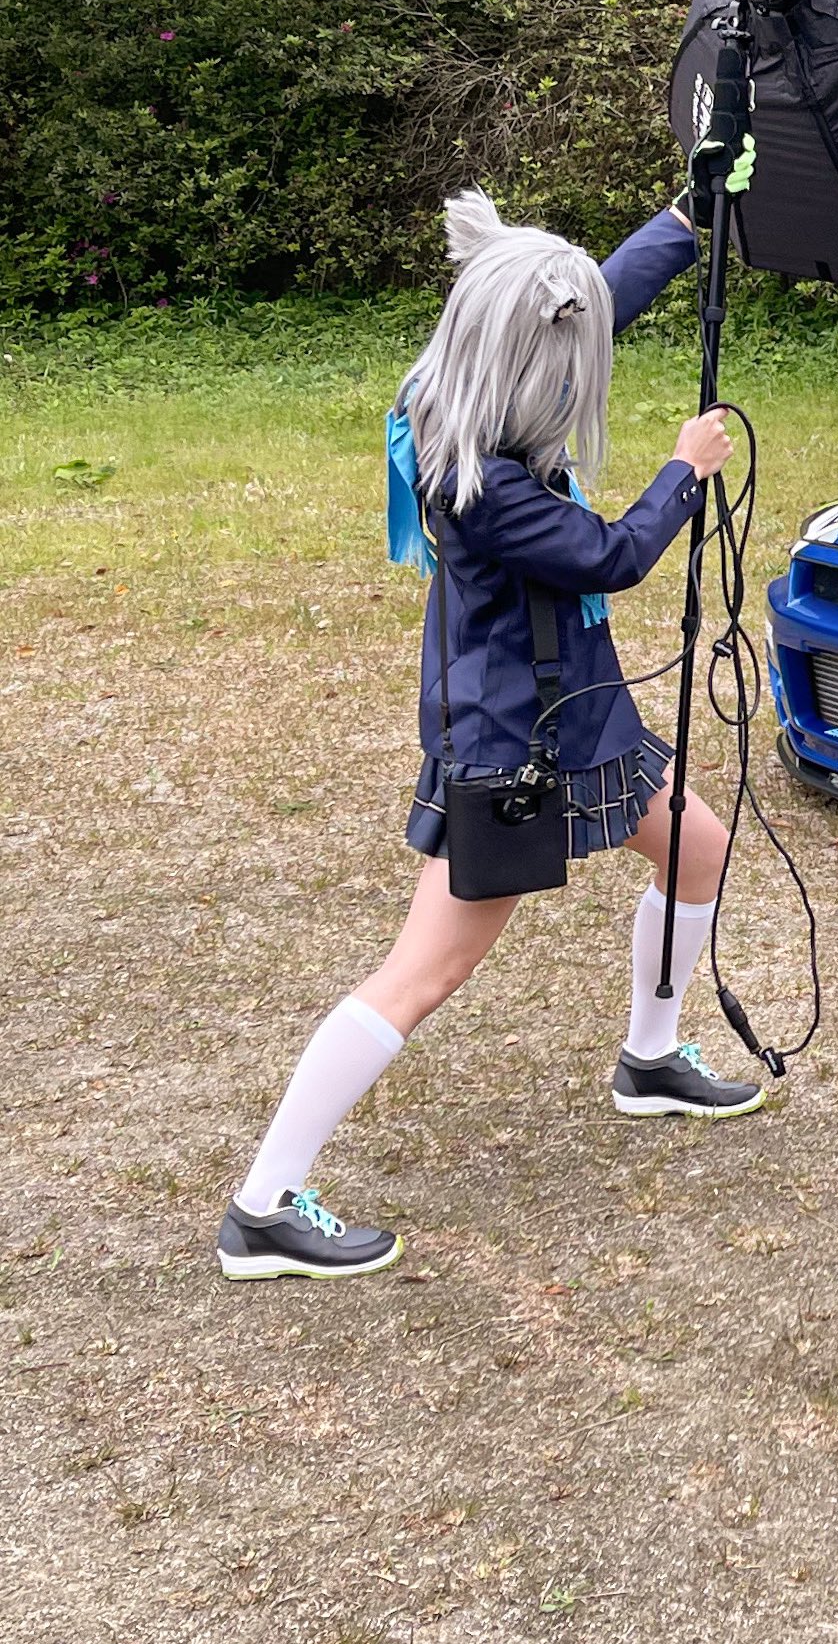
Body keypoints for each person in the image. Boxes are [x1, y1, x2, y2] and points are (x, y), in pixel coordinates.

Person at [218, 189, 765, 1284]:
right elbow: (609, 555)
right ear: (520, 357)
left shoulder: (463, 386)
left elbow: (588, 303)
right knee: (423, 971)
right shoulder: (482, 483)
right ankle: (263, 1205)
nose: (576, 373)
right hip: (520, 745)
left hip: (582, 716)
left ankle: (651, 1055)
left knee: (697, 849)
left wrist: (686, 214)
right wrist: (683, 471)